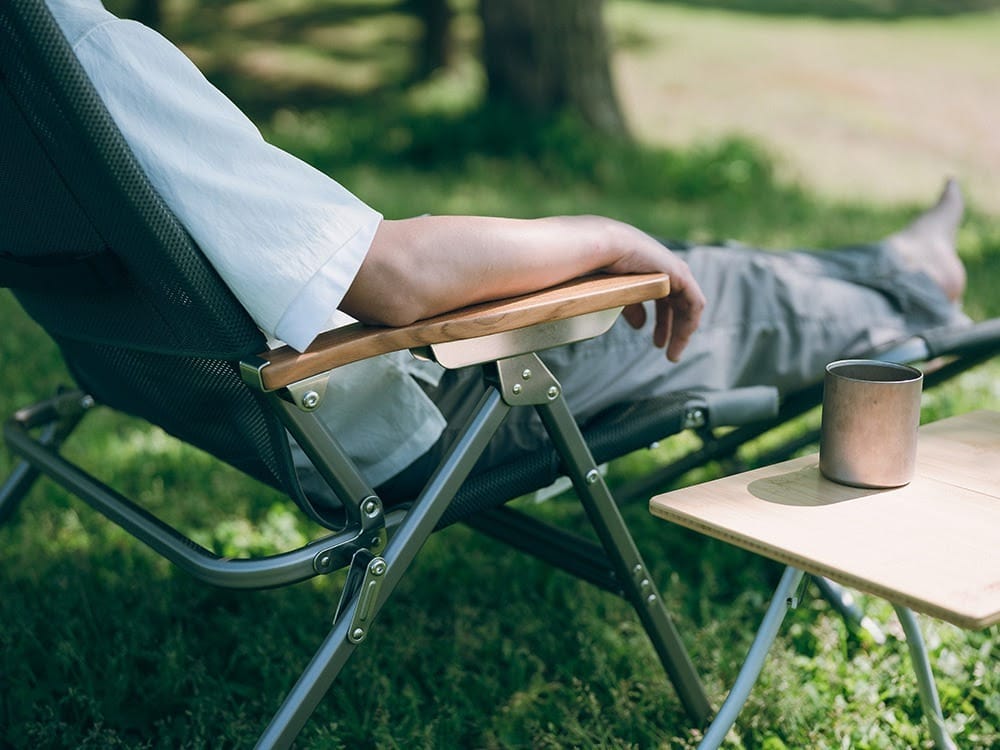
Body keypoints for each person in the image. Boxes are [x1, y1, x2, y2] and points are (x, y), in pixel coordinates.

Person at [46, 0, 968, 504]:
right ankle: (920, 287)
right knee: (706, 283)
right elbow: (393, 278)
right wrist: (605, 233)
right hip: (416, 418)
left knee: (690, 260)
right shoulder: (83, 55)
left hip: (228, 405)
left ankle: (884, 266)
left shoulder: (23, 77)